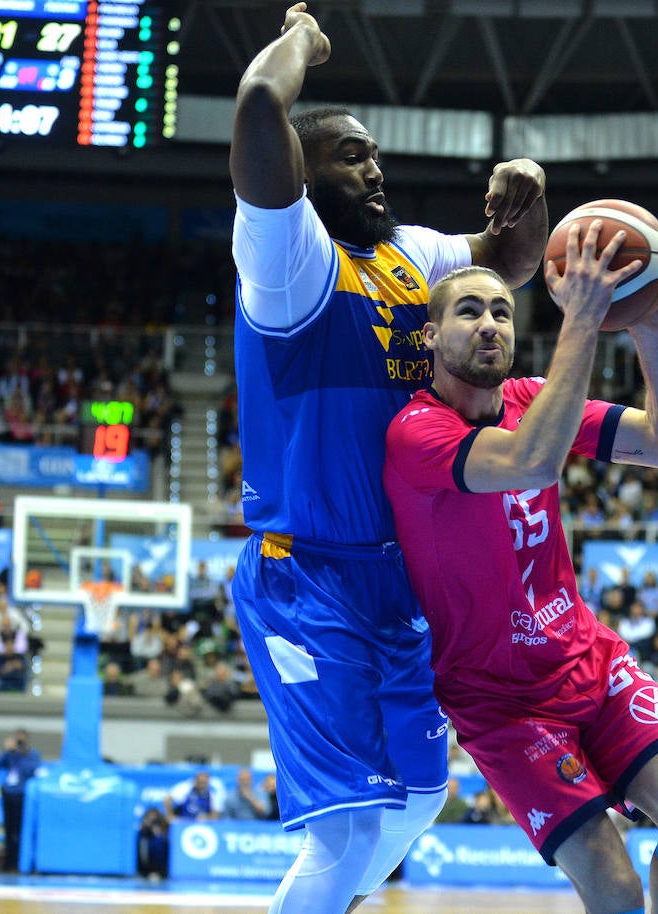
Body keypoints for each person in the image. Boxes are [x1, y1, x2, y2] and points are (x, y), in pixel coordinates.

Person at [227, 3, 547, 910]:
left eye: (376, 155)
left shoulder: (415, 255)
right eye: (352, 155)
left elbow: (510, 261)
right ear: (303, 171)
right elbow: (257, 103)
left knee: (421, 797)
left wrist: (529, 192)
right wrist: (302, 44)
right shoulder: (291, 259)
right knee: (352, 830)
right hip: (309, 575)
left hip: (400, 580)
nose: (375, 168)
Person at [383, 224, 658, 914]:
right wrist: (584, 321)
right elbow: (530, 462)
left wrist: (648, 325)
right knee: (618, 895)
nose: (489, 324)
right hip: (501, 704)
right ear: (429, 338)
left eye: (502, 311)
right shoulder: (416, 433)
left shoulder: (536, 396)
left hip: (586, 663)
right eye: (469, 311)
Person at [0, 728, 42, 872]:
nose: (19, 742)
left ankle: (21, 862)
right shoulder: (10, 754)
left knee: (21, 829)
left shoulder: (32, 754)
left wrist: (21, 754)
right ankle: (8, 862)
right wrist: (7, 750)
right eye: (17, 739)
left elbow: (31, 769)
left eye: (22, 739)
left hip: (22, 795)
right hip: (8, 793)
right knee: (9, 830)